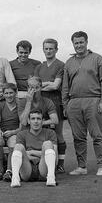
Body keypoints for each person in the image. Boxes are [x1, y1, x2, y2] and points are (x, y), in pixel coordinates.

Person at [62, 31, 102, 176]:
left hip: (93, 100)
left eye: (81, 42)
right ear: (73, 44)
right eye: (76, 43)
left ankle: (101, 166)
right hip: (74, 102)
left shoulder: (97, 59)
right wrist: (65, 105)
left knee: (97, 135)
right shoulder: (69, 63)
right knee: (78, 137)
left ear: (86, 42)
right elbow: (65, 86)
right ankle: (81, 167)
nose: (79, 45)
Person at [34, 39, 67, 173]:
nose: (48, 51)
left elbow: (56, 85)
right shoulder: (39, 67)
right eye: (46, 49)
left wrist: (42, 85)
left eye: (51, 49)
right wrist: (46, 84)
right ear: (43, 49)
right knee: (41, 131)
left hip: (55, 102)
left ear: (56, 50)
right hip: (40, 102)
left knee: (57, 133)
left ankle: (60, 164)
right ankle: (45, 163)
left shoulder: (61, 65)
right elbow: (35, 86)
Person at [10, 109, 57, 188]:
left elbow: (55, 158)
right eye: (33, 119)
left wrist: (31, 152)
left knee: (47, 144)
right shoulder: (21, 134)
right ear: (28, 121)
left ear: (43, 121)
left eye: (38, 119)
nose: (36, 121)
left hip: (44, 168)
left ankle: (51, 178)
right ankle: (15, 178)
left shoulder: (50, 133)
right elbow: (22, 155)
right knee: (18, 146)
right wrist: (43, 154)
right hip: (27, 168)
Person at [0, 83, 21, 182]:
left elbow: (23, 126)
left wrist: (13, 132)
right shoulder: (0, 105)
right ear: (3, 94)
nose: (9, 95)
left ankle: (9, 171)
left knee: (13, 141)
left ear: (15, 93)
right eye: (6, 93)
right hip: (2, 132)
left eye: (11, 93)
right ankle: (0, 171)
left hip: (14, 132)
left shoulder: (20, 106)